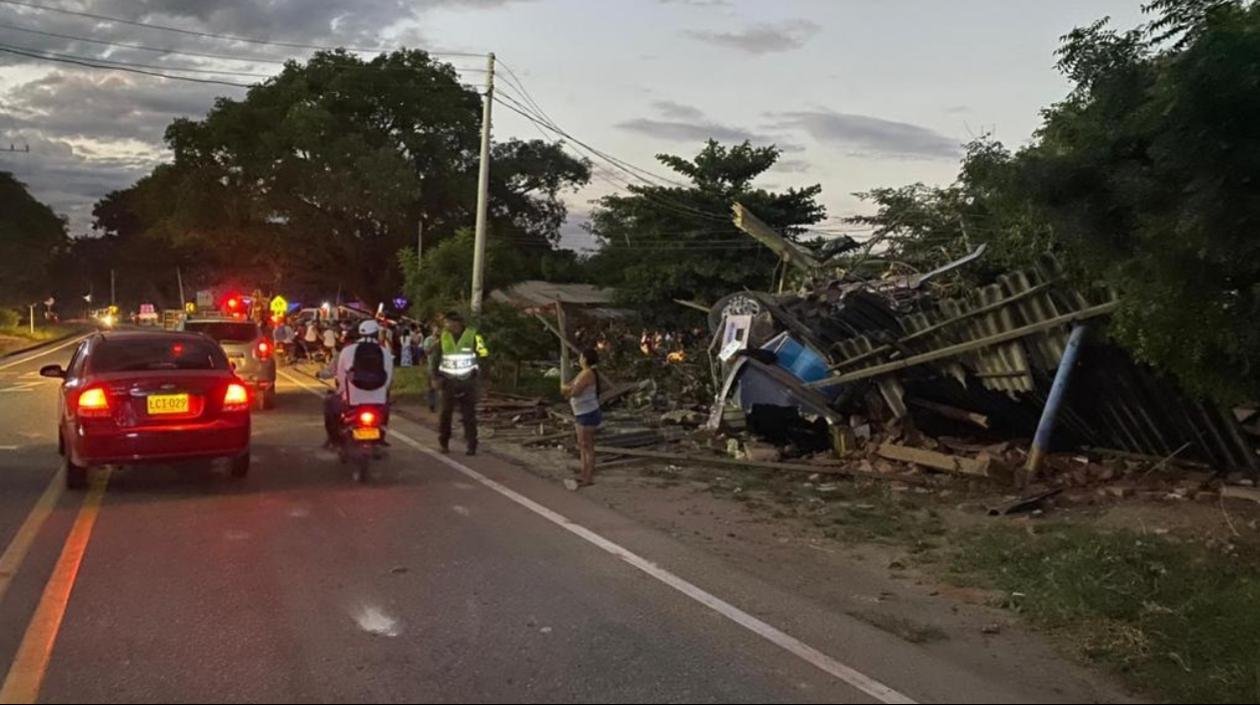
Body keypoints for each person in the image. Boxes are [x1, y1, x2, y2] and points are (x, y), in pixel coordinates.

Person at [324, 319, 394, 449]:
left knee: (329, 405)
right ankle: (381, 437)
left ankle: (334, 441)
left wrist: (342, 391)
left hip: (352, 401)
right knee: (386, 409)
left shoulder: (347, 351)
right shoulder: (385, 352)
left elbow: (341, 376)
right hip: (378, 400)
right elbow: (388, 378)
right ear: (377, 333)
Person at [431, 311, 488, 455]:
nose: (445, 325)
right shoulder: (443, 336)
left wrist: (482, 378)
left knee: (469, 415)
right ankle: (444, 443)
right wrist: (435, 377)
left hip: (467, 381)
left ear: (457, 323)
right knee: (445, 415)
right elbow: (436, 358)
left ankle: (471, 445)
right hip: (448, 381)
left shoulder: (474, 336)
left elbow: (484, 355)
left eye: (447, 322)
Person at [561, 347, 602, 489]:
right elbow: (569, 386)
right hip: (580, 413)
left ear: (585, 359)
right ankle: (583, 473)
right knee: (582, 445)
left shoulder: (588, 374)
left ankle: (588, 477)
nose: (579, 359)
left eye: (581, 357)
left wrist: (568, 389)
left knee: (587, 446)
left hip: (588, 413)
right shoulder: (582, 373)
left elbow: (575, 391)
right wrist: (567, 388)